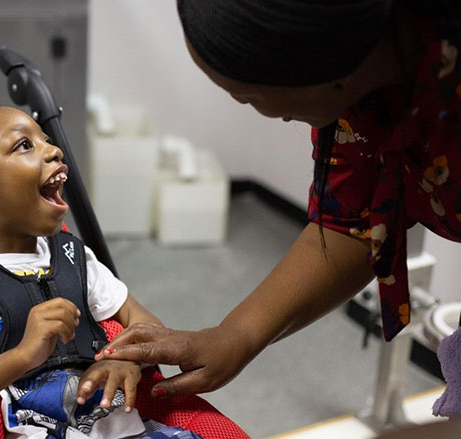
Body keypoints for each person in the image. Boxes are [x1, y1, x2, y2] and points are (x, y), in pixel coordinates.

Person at [96, 0, 461, 402]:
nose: (261, 112)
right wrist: (234, 336)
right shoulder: (358, 101)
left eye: (247, 97)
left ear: (319, 69)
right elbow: (352, 223)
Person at [0, 105, 201, 438]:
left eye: (47, 141)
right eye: (24, 145)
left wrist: (126, 359)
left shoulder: (72, 256)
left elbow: (148, 327)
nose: (55, 151)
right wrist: (23, 355)